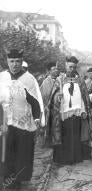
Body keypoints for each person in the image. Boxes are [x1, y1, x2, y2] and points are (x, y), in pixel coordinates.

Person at [0, 49, 44, 190]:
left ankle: (19, 180)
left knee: (21, 153)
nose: (15, 64)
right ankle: (6, 179)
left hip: (24, 123)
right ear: (7, 61)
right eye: (12, 61)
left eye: (18, 61)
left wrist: (37, 118)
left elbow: (35, 101)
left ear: (21, 61)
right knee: (6, 153)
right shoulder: (2, 78)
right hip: (6, 122)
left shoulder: (29, 79)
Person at [47, 56, 92, 165]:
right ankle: (63, 158)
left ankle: (76, 158)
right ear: (66, 66)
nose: (72, 69)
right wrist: (57, 97)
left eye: (74, 67)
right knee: (64, 136)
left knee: (76, 136)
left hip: (77, 113)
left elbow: (84, 97)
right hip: (63, 113)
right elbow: (52, 97)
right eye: (70, 67)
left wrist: (84, 110)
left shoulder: (80, 80)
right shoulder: (59, 80)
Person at [39, 62, 59, 146]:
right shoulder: (46, 82)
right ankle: (48, 143)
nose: (56, 70)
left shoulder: (60, 80)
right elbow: (45, 96)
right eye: (53, 69)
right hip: (49, 108)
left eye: (56, 68)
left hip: (58, 108)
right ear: (49, 71)